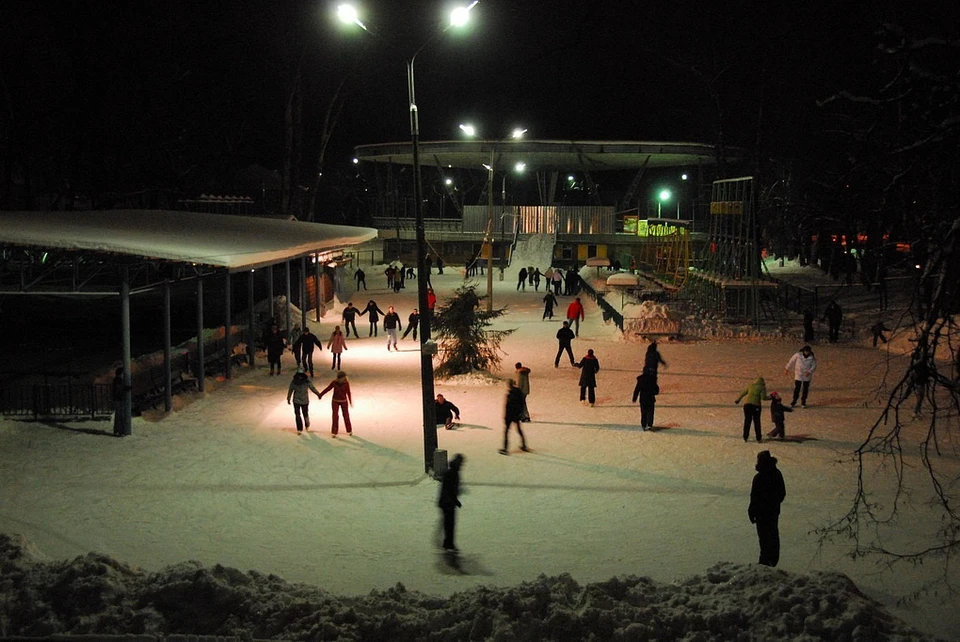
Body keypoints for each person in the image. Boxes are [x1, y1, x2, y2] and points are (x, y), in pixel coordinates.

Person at [748, 450, 786, 567]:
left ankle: (765, 560)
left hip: (762, 512)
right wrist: (774, 504)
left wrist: (752, 511)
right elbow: (782, 493)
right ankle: (771, 560)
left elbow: (754, 497)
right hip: (772, 511)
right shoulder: (776, 474)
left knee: (765, 537)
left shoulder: (759, 478)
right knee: (772, 534)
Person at [438, 453, 464, 552]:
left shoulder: (453, 472)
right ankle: (449, 544)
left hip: (447, 502)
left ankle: (448, 543)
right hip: (447, 503)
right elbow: (449, 490)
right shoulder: (452, 473)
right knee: (449, 524)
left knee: (449, 524)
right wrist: (456, 501)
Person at [286, 368, 322, 434]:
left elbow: (312, 388)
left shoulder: (305, 382)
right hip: (297, 400)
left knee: (304, 413)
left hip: (304, 401)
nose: (300, 377)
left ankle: (306, 424)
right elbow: (291, 389)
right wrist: (288, 398)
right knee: (298, 414)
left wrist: (318, 394)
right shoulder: (296, 382)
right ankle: (299, 428)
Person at [318, 370, 353, 437]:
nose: (344, 379)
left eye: (344, 377)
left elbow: (348, 392)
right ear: (339, 378)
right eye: (343, 378)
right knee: (335, 416)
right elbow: (328, 389)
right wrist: (321, 394)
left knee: (346, 416)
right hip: (335, 401)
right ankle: (334, 431)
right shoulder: (334, 383)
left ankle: (349, 430)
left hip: (344, 401)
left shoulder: (346, 383)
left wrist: (350, 401)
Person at [500, 379, 530, 455]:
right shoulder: (518, 392)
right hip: (515, 415)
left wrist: (506, 417)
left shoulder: (510, 394)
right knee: (519, 430)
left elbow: (508, 407)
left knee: (507, 432)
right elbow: (521, 404)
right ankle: (524, 445)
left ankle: (505, 449)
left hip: (511, 416)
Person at [735, 376, 767, 443]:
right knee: (757, 422)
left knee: (747, 421)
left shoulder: (751, 386)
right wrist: (771, 397)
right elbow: (763, 397)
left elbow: (743, 393)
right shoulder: (762, 387)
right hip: (756, 406)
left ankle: (745, 437)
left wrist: (738, 399)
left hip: (747, 405)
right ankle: (758, 438)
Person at [632, 366, 659, 430]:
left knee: (643, 412)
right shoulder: (652, 379)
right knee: (650, 412)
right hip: (650, 398)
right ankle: (650, 424)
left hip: (643, 399)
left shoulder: (641, 380)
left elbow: (637, 389)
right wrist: (654, 392)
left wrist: (634, 398)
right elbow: (656, 390)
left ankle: (644, 425)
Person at [112, 366, 130, 437]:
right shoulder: (119, 380)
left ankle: (117, 430)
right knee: (120, 415)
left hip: (117, 399)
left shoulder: (116, 380)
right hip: (119, 399)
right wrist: (126, 388)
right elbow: (119, 389)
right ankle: (121, 431)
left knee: (118, 415)